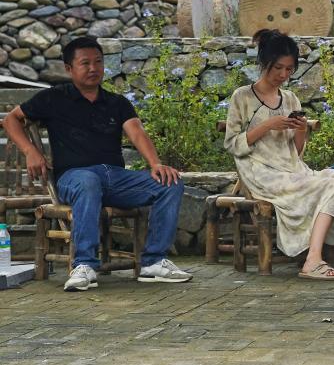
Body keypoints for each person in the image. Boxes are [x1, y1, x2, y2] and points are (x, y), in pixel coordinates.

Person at [2, 36, 192, 292]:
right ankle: (84, 265)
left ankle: (153, 262)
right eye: (85, 63)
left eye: (98, 62)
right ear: (69, 68)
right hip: (74, 178)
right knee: (89, 181)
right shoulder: (53, 98)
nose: (93, 68)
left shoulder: (117, 103)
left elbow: (137, 133)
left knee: (170, 183)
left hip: (115, 178)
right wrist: (30, 151)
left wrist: (156, 164)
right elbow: (11, 120)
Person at [224, 29, 334, 280]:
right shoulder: (242, 96)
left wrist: (300, 130)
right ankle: (312, 261)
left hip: (292, 169)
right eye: (278, 68)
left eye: (289, 69)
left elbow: (296, 152)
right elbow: (232, 144)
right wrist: (267, 125)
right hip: (261, 173)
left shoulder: (290, 99)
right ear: (265, 62)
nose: (283, 75)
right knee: (332, 186)